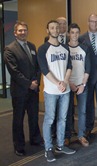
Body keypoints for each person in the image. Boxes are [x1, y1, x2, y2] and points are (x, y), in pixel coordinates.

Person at [38, 20, 76, 162]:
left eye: (57, 27)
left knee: (62, 118)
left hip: (64, 91)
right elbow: (44, 69)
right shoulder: (43, 49)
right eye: (52, 28)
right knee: (49, 119)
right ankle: (48, 149)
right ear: (47, 30)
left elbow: (69, 66)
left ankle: (60, 145)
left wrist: (65, 82)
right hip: (51, 91)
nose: (55, 30)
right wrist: (57, 83)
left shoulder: (65, 48)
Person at [4, 21, 43, 156]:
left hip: (33, 90)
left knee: (33, 116)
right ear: (15, 33)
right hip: (20, 91)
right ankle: (19, 146)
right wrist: (28, 84)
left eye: (25, 30)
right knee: (18, 119)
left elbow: (37, 66)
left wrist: (36, 82)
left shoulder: (31, 46)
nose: (23, 32)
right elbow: (14, 72)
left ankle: (35, 139)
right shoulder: (9, 49)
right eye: (20, 30)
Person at [64, 23, 91, 147]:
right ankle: (67, 136)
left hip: (82, 85)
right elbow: (62, 69)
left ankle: (81, 135)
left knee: (82, 111)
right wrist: (70, 83)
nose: (75, 35)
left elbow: (88, 68)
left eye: (77, 32)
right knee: (67, 112)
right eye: (72, 32)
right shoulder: (64, 48)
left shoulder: (84, 48)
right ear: (69, 33)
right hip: (68, 85)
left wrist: (82, 85)